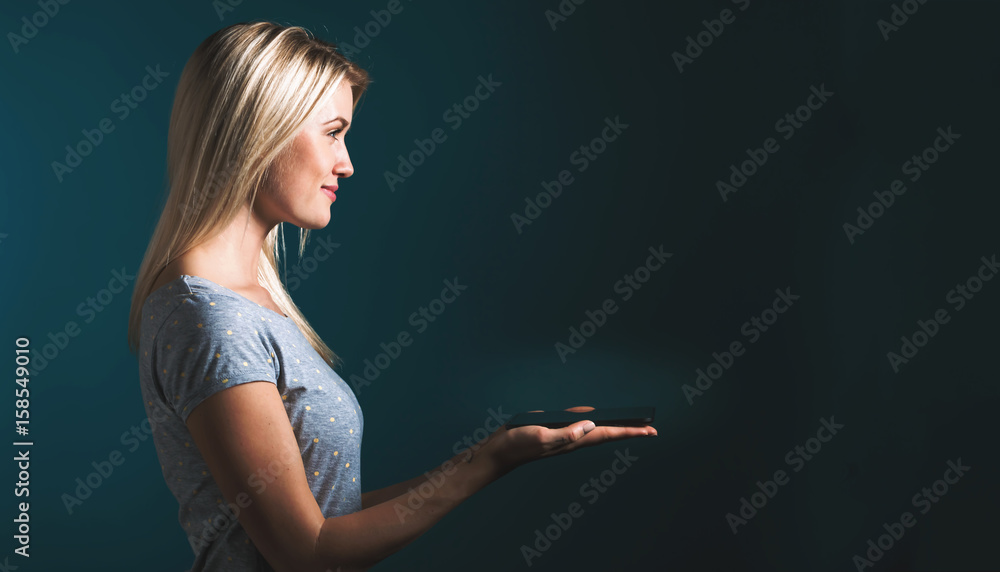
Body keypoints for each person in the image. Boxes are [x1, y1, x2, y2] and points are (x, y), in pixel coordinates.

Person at [127, 21, 657, 572]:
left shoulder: (240, 304)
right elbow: (306, 553)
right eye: (333, 132)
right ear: (259, 130)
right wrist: (489, 462)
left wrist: (496, 450)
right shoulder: (209, 318)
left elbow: (331, 519)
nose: (347, 162)